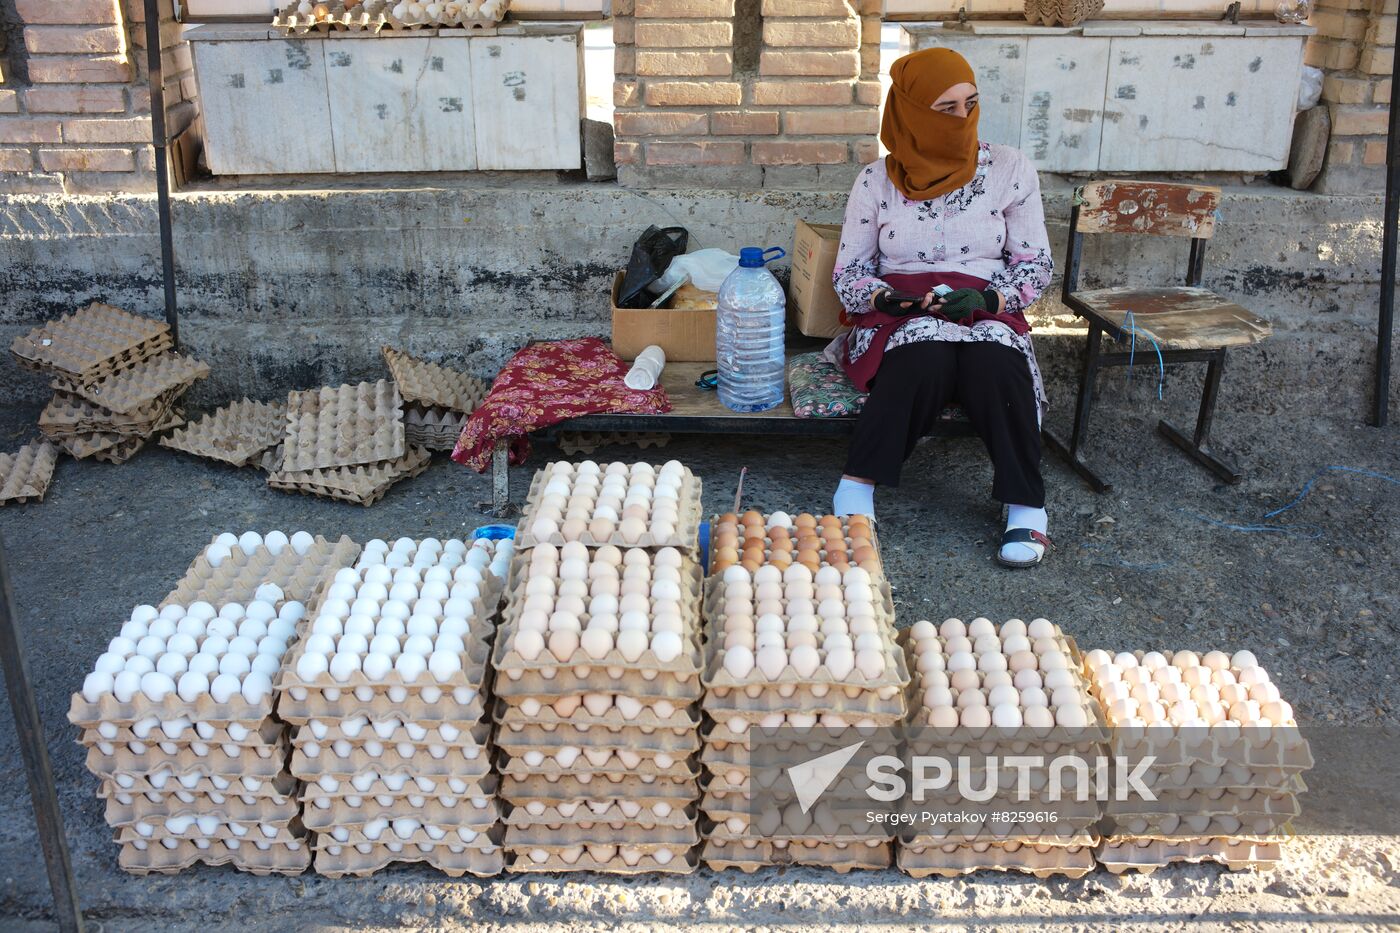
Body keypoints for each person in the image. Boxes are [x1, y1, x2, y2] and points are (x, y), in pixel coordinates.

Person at [829, 47, 1055, 568]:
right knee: (923, 355)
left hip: (986, 305)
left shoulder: (1010, 170)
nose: (961, 119)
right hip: (900, 312)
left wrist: (992, 298)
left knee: (996, 361)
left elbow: (1035, 263)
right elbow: (849, 273)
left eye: (969, 105)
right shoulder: (875, 181)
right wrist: (890, 298)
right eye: (944, 108)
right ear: (909, 112)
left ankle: (1026, 506)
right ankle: (858, 486)